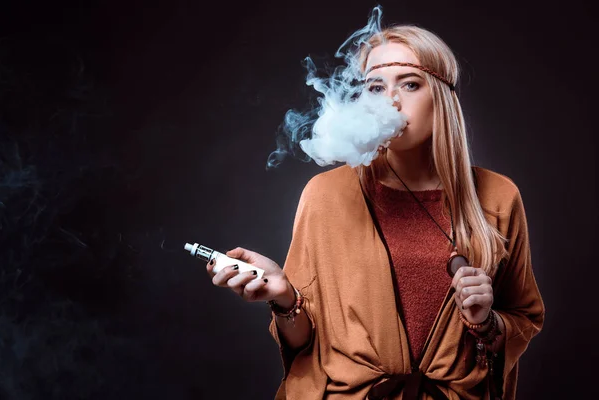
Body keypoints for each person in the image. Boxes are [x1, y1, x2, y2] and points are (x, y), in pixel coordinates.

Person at [207, 24, 544, 400]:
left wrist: (486, 321)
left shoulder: (498, 196)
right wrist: (285, 297)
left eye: (410, 84)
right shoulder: (325, 194)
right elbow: (306, 342)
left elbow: (522, 320)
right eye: (376, 87)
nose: (391, 101)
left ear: (443, 99)